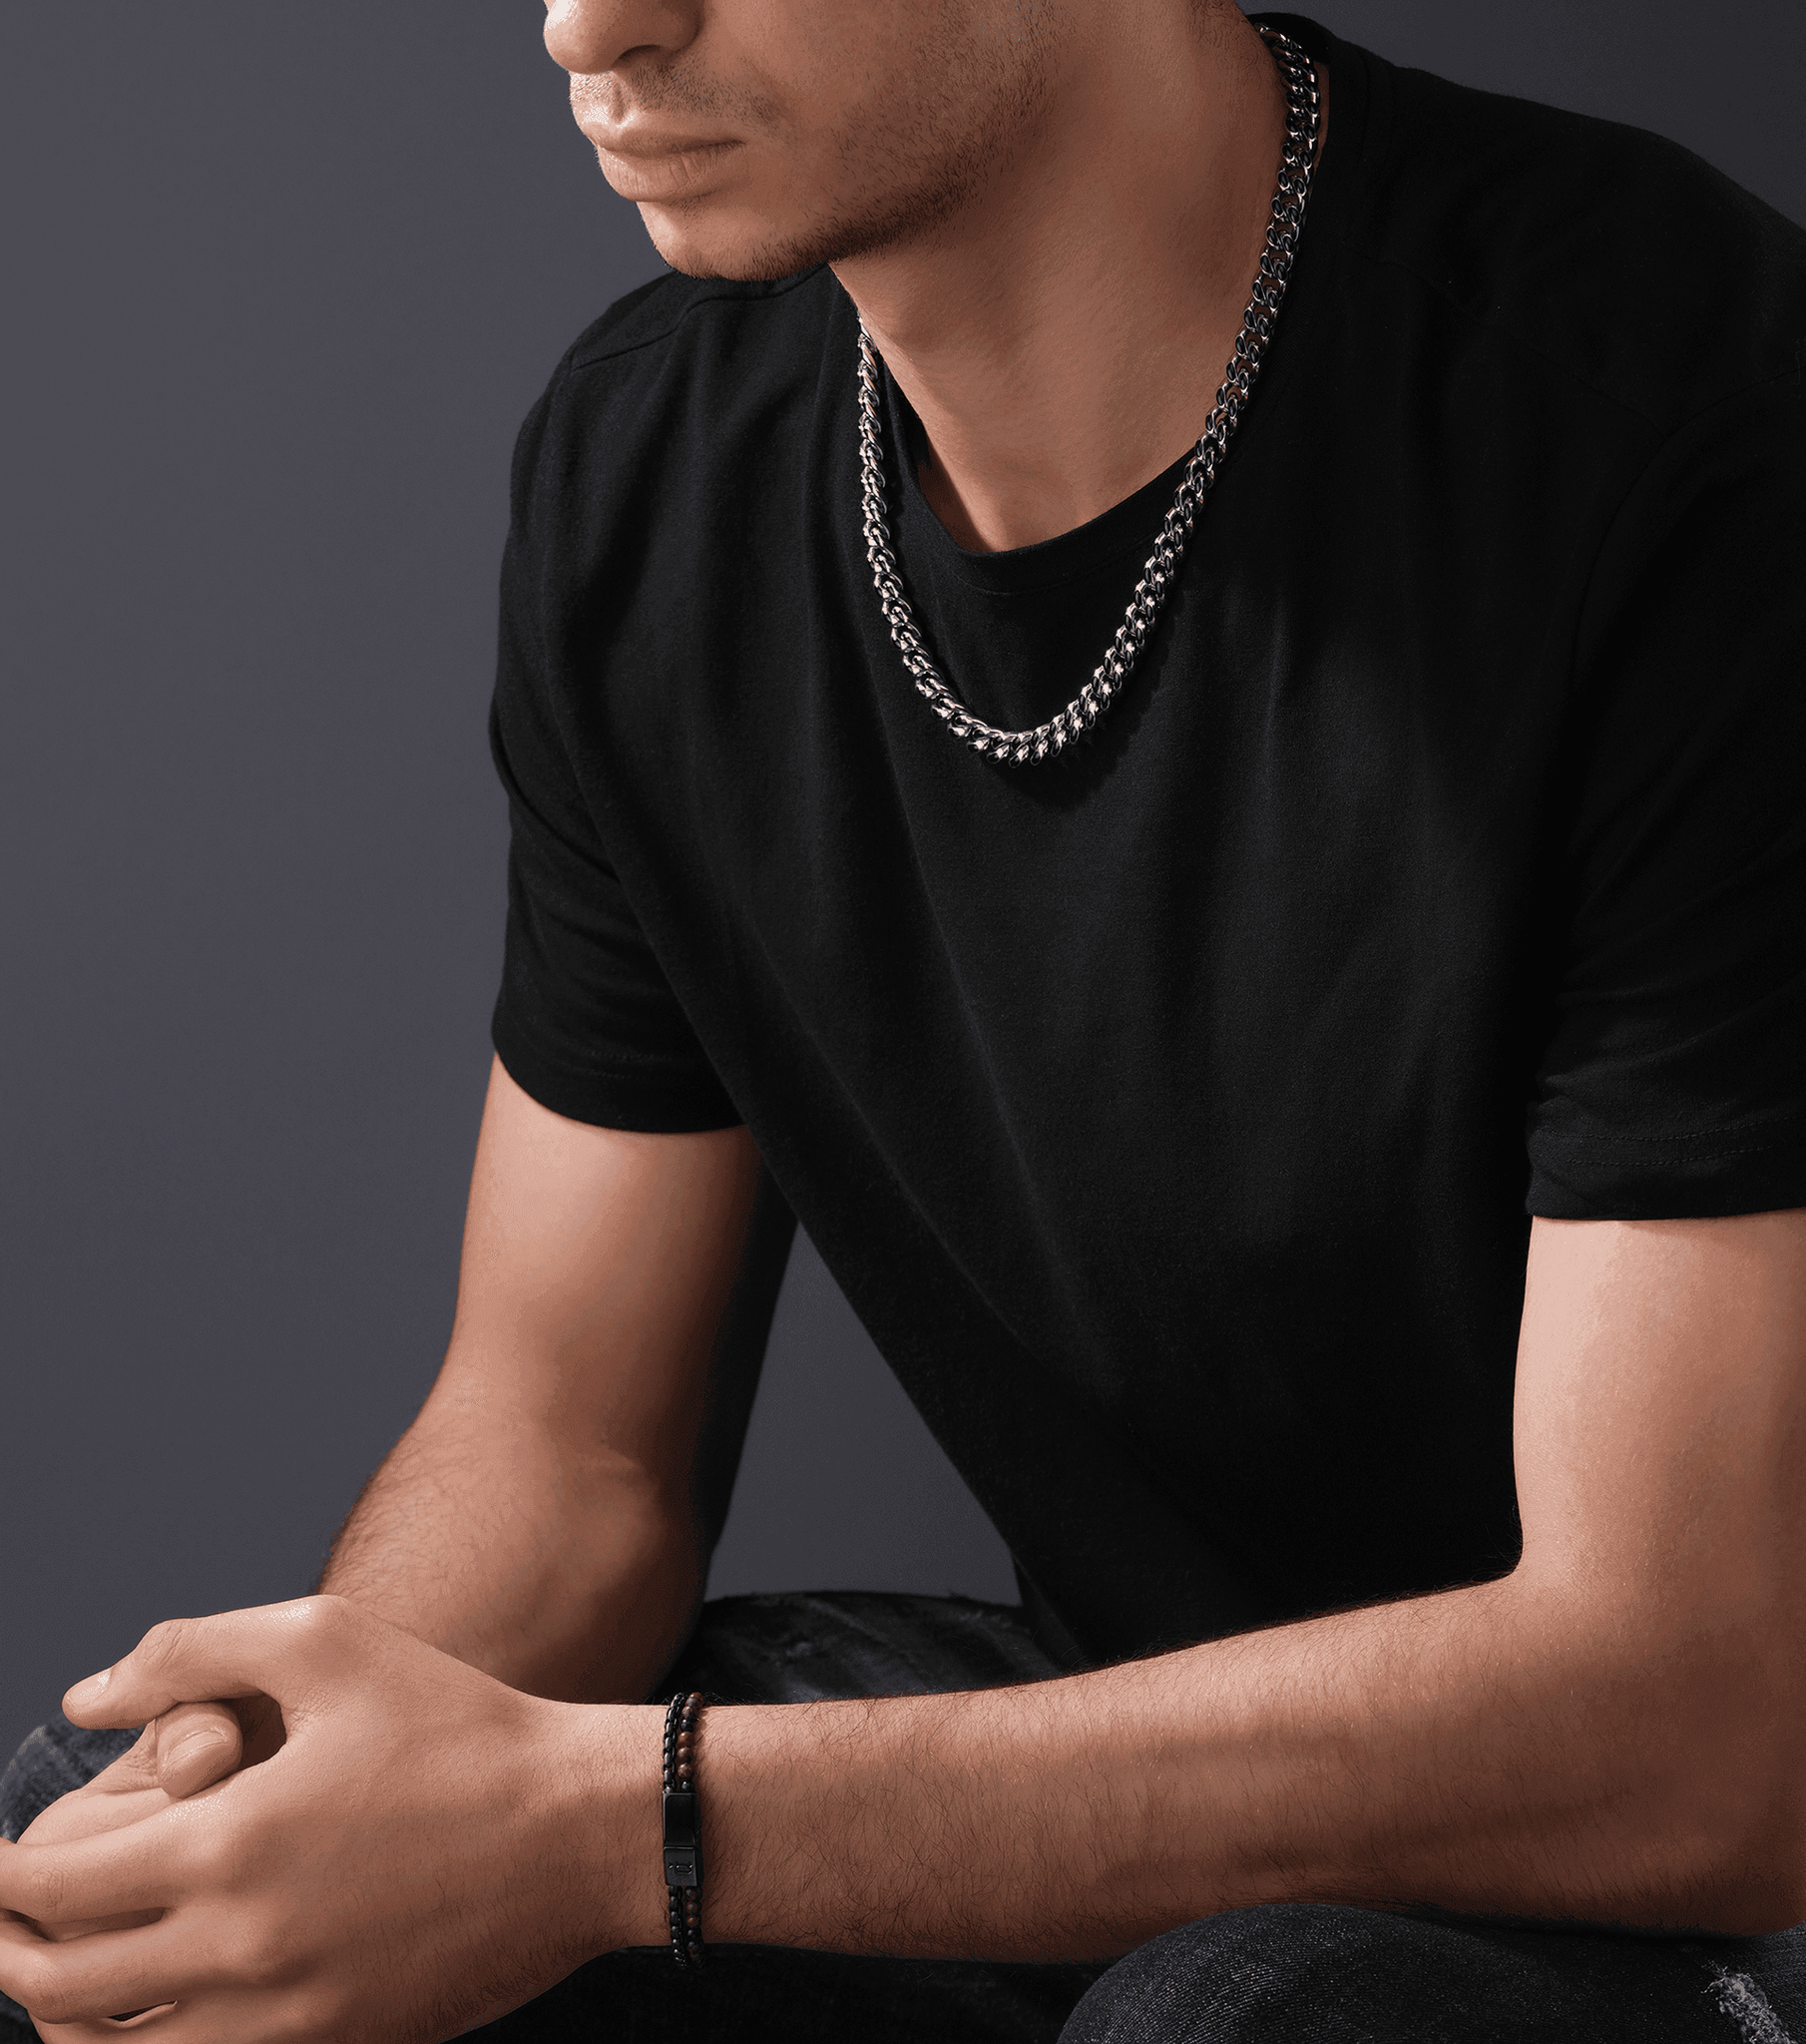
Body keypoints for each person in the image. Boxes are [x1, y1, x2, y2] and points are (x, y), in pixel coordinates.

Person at [3, 0, 1803, 2037]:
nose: (589, 24)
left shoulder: (1679, 408)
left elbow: (1699, 1722)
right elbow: (567, 1449)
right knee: (121, 1867)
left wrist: (612, 1831)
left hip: (1693, 1865)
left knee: (1253, 2015)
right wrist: (293, 1782)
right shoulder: (654, 472)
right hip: (1121, 1751)